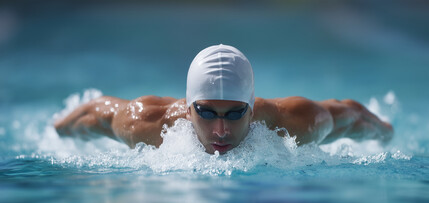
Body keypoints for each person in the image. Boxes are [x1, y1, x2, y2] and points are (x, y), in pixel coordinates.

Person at [54, 44, 393, 154]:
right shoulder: (145, 123)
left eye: (234, 114)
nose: (220, 130)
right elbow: (93, 114)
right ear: (188, 110)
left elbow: (352, 116)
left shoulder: (296, 123)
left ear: (252, 108)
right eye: (206, 112)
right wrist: (57, 130)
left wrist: (385, 131)